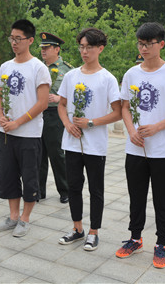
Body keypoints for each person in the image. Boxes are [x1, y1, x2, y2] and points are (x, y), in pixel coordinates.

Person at [116, 22, 165, 269]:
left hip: (162, 149)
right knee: (136, 195)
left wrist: (157, 127)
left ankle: (161, 243)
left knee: (162, 198)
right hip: (135, 147)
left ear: (161, 44)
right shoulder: (131, 74)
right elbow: (125, 107)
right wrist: (131, 131)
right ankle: (135, 238)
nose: (144, 48)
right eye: (140, 44)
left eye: (149, 44)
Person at [57, 28, 121, 252]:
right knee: (74, 186)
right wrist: (68, 124)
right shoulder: (71, 76)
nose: (84, 51)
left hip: (95, 145)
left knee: (96, 189)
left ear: (100, 48)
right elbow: (62, 104)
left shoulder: (107, 79)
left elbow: (117, 112)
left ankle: (94, 232)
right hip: (72, 142)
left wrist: (91, 122)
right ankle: (77, 228)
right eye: (81, 47)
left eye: (89, 47)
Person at [0, 19, 51, 237]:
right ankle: (13, 216)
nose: (14, 43)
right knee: (8, 175)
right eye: (12, 38)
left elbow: (42, 103)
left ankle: (25, 219)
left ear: (30, 40)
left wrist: (18, 122)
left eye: (19, 39)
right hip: (6, 132)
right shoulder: (5, 66)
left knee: (29, 176)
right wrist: (0, 115)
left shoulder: (38, 68)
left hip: (28, 134)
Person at [38, 32, 72, 204]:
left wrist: (60, 98)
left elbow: (75, 93)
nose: (43, 51)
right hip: (38, 114)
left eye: (47, 48)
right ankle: (38, 190)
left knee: (57, 154)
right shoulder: (38, 67)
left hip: (55, 114)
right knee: (38, 153)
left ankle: (65, 190)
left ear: (57, 49)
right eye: (42, 48)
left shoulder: (67, 70)